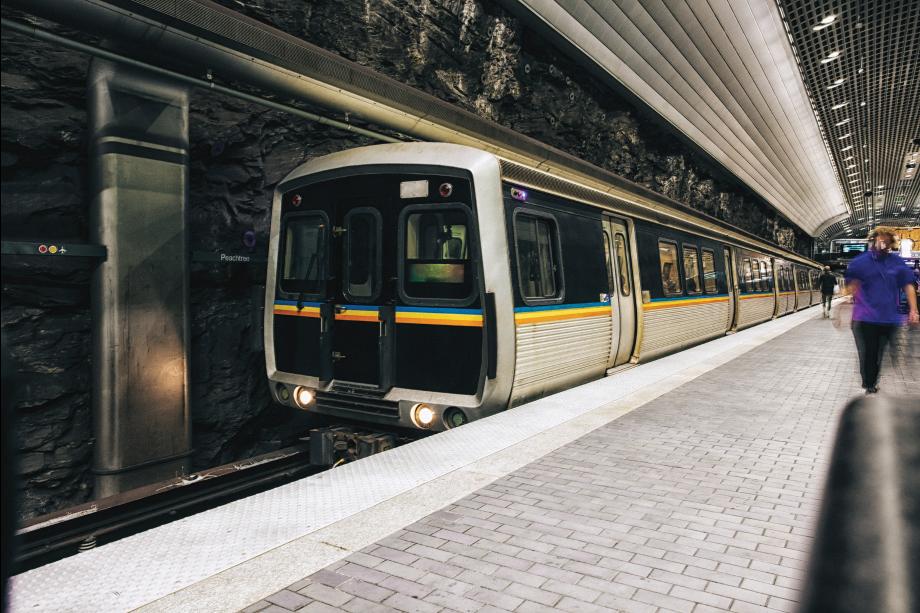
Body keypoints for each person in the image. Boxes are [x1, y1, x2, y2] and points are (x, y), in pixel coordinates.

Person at [844, 226, 919, 394]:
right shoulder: (860, 262)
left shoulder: (897, 262)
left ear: (892, 244)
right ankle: (869, 383)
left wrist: (913, 310)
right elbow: (852, 286)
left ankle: (871, 379)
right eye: (880, 239)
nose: (883, 243)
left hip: (889, 318)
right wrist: (845, 306)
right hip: (864, 318)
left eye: (887, 241)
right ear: (873, 240)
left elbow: (908, 285)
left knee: (879, 352)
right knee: (869, 352)